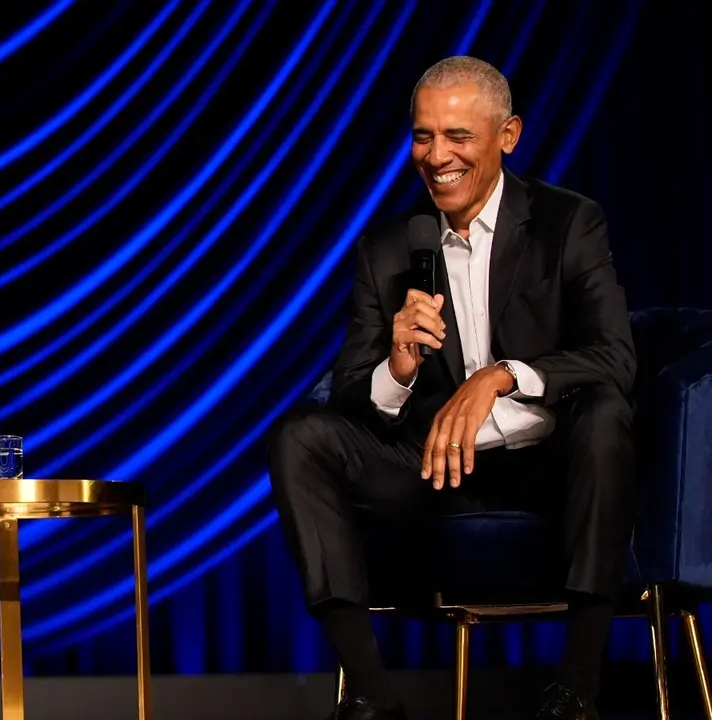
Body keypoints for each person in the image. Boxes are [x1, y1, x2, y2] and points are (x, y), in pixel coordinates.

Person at [267, 57, 635, 720]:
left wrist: (497, 379)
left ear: (508, 135)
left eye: (458, 137)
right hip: (430, 467)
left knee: (607, 414)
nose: (437, 156)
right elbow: (352, 392)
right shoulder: (387, 248)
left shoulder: (567, 223)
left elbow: (613, 357)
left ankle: (577, 689)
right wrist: (399, 367)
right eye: (423, 136)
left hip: (544, 462)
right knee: (301, 438)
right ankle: (373, 696)